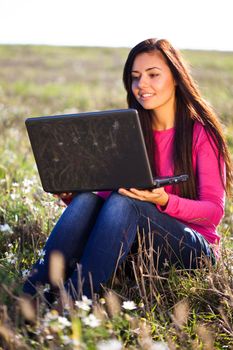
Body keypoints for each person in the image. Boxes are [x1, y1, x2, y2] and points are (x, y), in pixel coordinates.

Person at [23, 38, 233, 303]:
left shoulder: (202, 133)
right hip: (139, 244)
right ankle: (33, 292)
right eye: (135, 77)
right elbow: (102, 199)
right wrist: (70, 195)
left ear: (177, 78)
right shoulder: (128, 131)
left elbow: (213, 213)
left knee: (127, 202)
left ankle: (73, 302)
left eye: (153, 75)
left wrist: (164, 201)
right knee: (89, 197)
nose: (141, 85)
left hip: (193, 249)